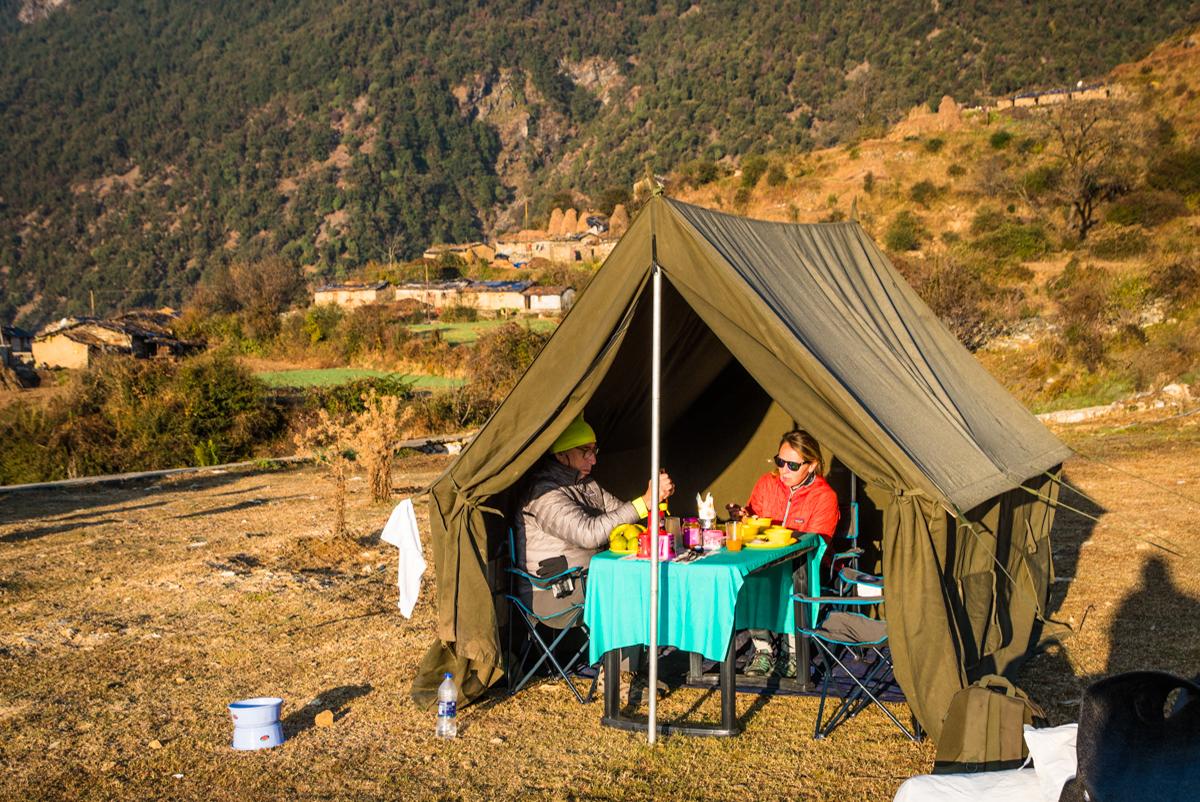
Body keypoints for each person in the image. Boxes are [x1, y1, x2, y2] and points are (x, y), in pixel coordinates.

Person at [516, 413, 675, 625]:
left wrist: (656, 502)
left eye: (594, 450)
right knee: (627, 585)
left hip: (585, 577)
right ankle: (619, 659)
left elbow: (622, 518)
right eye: (586, 452)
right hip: (549, 592)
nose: (593, 459)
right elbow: (589, 534)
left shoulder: (586, 484)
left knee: (642, 576)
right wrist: (645, 501)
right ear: (561, 453)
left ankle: (627, 658)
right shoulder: (543, 493)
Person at [728, 429, 839, 678]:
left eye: (792, 465)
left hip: (807, 564)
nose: (784, 470)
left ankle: (793, 653)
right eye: (780, 462)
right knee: (750, 575)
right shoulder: (767, 484)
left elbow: (815, 542)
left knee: (791, 580)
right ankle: (762, 650)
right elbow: (754, 519)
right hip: (767, 560)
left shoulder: (824, 496)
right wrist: (744, 517)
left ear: (811, 466)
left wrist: (776, 532)